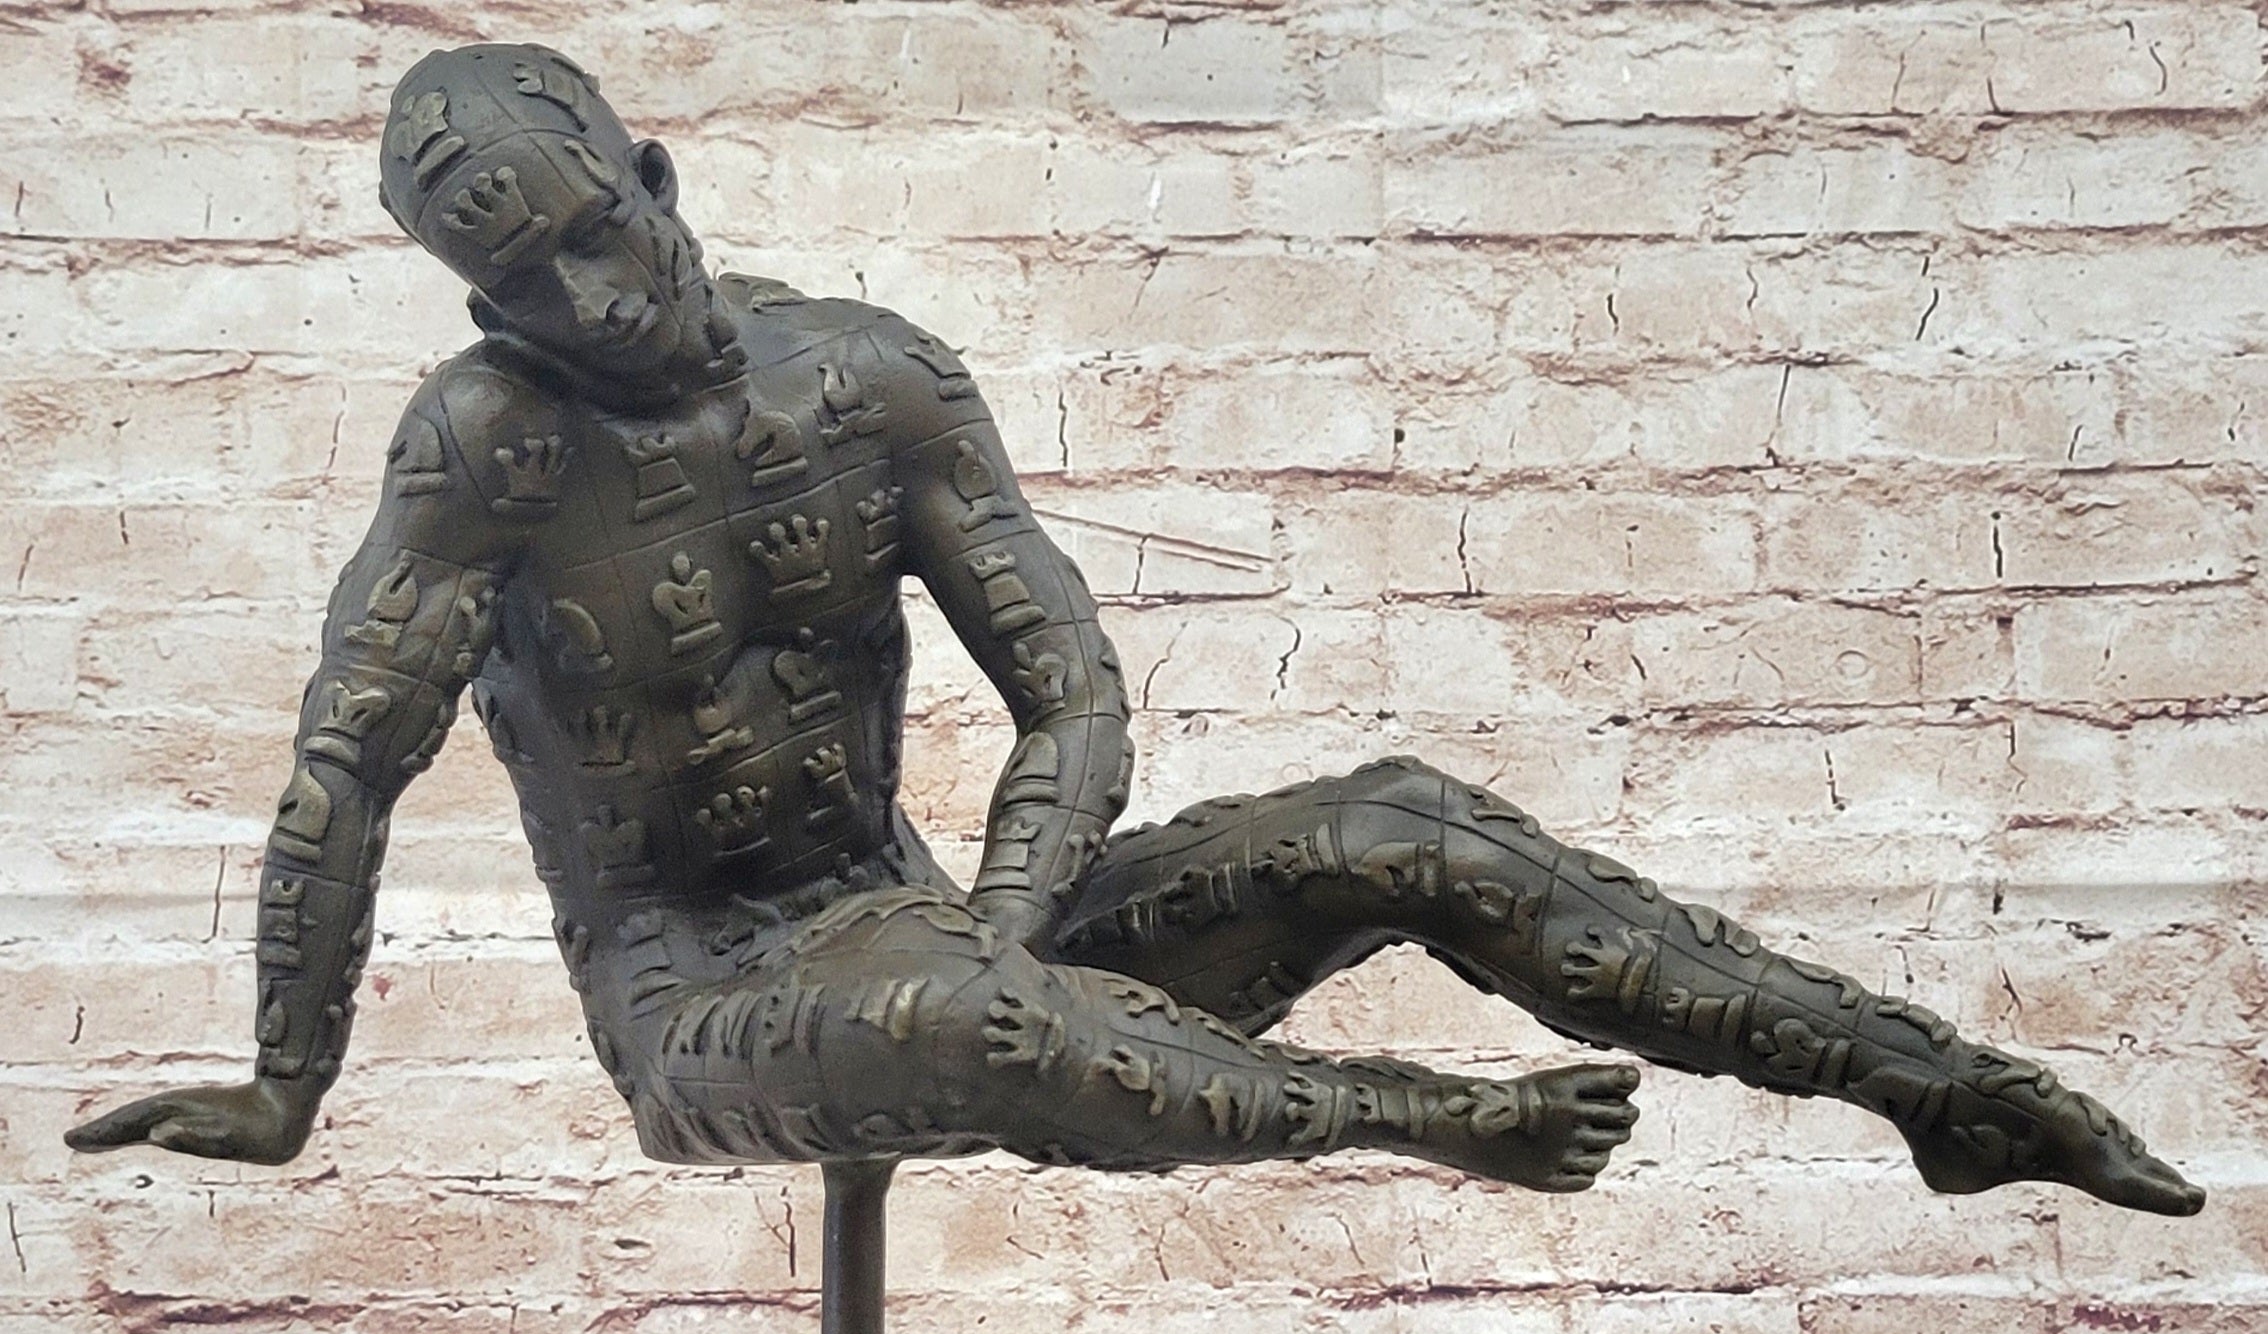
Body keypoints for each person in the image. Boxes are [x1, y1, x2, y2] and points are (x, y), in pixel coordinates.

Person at [66, 42, 2203, 1218]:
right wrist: (284, 1082)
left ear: (656, 172)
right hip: (704, 1002)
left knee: (1397, 826)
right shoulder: (486, 451)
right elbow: (344, 770)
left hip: (947, 928)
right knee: (958, 1019)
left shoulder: (869, 380)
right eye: (526, 283)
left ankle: (1940, 1090)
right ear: (481, 301)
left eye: (598, 235)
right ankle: (1422, 1121)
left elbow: (1069, 684)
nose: (591, 302)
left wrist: (1014, 906)